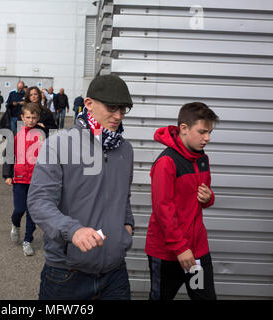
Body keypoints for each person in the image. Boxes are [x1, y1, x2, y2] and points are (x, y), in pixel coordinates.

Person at [28, 74, 135, 300]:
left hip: (115, 274)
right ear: (89, 104)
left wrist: (127, 226)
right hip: (66, 275)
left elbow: (123, 197)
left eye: (123, 109)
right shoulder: (58, 145)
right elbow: (39, 202)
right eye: (112, 107)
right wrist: (73, 230)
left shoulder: (125, 149)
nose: (118, 116)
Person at [145, 102, 219, 300]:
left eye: (210, 132)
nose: (207, 138)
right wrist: (180, 248)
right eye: (202, 132)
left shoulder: (202, 159)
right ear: (184, 129)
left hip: (197, 252)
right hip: (167, 254)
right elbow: (163, 210)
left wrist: (208, 198)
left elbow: (202, 197)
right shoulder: (166, 162)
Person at [3, 103, 45, 256]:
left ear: (38, 118)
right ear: (22, 118)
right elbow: (8, 155)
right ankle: (15, 224)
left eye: (34, 117)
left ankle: (28, 240)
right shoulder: (16, 134)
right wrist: (7, 175)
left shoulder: (42, 134)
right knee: (19, 209)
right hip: (20, 179)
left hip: (36, 180)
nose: (31, 120)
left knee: (32, 212)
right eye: (28, 117)